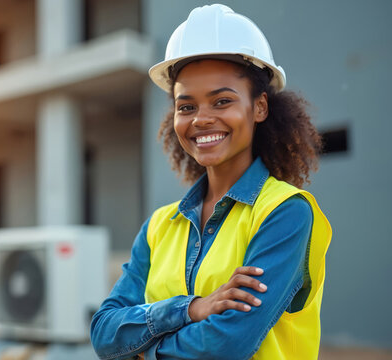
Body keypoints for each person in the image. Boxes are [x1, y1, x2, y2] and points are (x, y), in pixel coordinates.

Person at [89, 4, 332, 360]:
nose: (201, 119)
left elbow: (226, 345)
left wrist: (141, 350)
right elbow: (104, 333)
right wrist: (190, 309)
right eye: (186, 107)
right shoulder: (159, 226)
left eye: (222, 101)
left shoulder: (285, 213)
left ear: (260, 107)